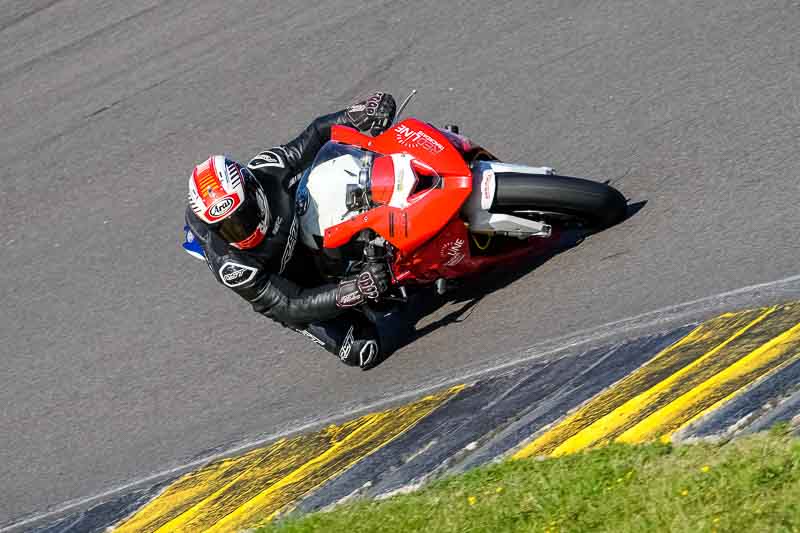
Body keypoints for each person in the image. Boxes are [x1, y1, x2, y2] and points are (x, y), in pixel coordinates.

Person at [185, 92, 397, 369]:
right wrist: (351, 291)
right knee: (361, 349)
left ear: (253, 191)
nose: (241, 230)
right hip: (289, 286)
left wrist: (357, 114)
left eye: (243, 216)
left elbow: (315, 136)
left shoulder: (267, 171)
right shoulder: (233, 266)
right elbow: (289, 304)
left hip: (303, 238)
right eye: (228, 229)